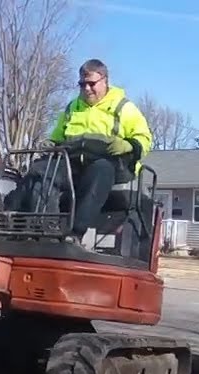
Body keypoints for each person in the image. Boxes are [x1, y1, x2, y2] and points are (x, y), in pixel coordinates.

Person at [46, 58, 153, 240]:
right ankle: (40, 228)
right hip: (74, 165)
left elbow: (145, 138)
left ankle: (74, 233)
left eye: (91, 83)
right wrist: (49, 146)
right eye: (82, 84)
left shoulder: (123, 107)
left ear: (105, 81)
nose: (86, 89)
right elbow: (56, 138)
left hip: (113, 167)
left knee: (100, 169)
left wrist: (127, 145)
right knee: (43, 171)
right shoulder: (72, 108)